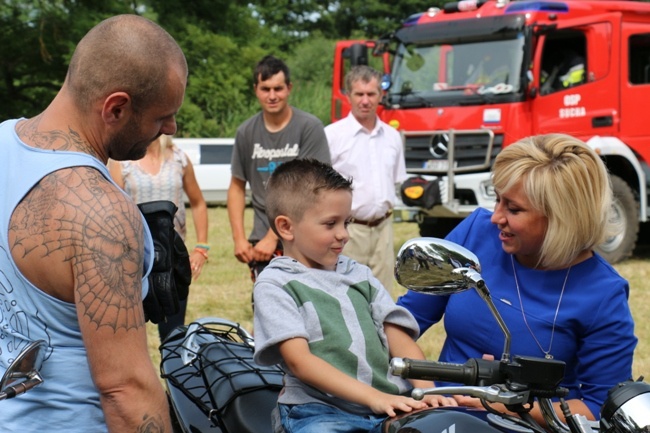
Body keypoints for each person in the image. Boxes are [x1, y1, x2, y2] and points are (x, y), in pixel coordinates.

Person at [0, 14, 187, 432]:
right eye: (162, 117)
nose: (171, 127)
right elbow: (125, 392)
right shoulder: (100, 212)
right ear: (116, 107)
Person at [397, 134, 637, 423]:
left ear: (563, 217)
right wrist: (430, 392)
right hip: (438, 417)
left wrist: (498, 405)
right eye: (497, 200)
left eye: (513, 209)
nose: (495, 217)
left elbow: (602, 408)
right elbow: (401, 323)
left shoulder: (603, 293)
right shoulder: (476, 233)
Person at [253, 158, 456, 433]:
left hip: (392, 402)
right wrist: (375, 398)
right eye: (330, 224)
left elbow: (397, 335)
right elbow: (299, 361)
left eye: (346, 222)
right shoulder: (275, 284)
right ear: (286, 227)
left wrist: (425, 391)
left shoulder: (358, 274)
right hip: (319, 412)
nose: (343, 234)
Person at [227, 55, 330, 286]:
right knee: (268, 312)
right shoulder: (246, 132)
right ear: (256, 90)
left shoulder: (309, 127)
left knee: (308, 311)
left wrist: (273, 237)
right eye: (265, 89)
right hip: (262, 245)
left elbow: (312, 188)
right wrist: (240, 239)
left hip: (304, 239)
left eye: (278, 88)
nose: (272, 96)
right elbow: (236, 186)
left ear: (289, 88)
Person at [108, 134, 209, 341]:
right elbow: (112, 211)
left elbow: (198, 202)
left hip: (173, 260)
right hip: (133, 262)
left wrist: (201, 248)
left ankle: (174, 372)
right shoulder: (122, 162)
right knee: (130, 336)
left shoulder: (180, 159)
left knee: (173, 337)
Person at [325, 65, 407, 290]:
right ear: (348, 95)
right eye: (359, 94)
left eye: (371, 94)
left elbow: (395, 181)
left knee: (382, 298)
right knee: (347, 296)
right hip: (348, 231)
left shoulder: (392, 137)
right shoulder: (332, 136)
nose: (365, 100)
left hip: (384, 230)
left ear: (381, 95)